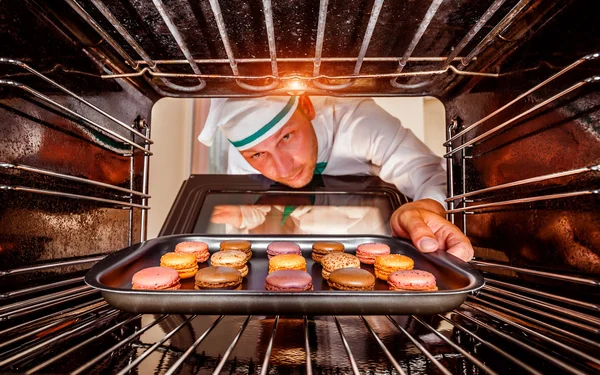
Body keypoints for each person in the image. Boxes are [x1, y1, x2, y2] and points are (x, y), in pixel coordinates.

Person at [199, 95, 474, 262]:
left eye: (287, 136)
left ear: (306, 107)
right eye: (258, 155)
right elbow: (253, 216)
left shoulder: (359, 123)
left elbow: (428, 174)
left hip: (367, 247)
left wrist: (425, 208)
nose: (282, 169)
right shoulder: (241, 157)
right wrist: (245, 217)